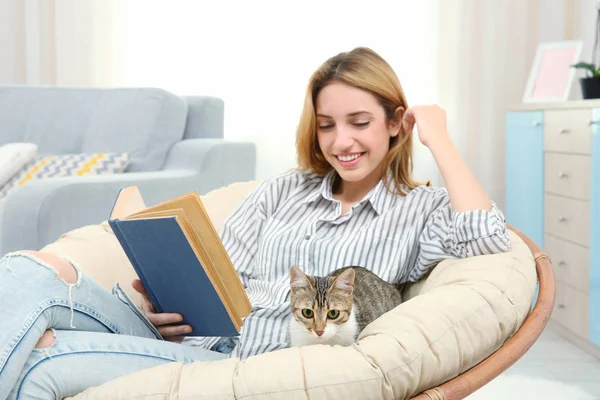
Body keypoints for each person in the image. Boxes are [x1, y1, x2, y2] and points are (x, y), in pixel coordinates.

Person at [0, 47, 510, 399]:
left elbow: (486, 236)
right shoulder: (282, 190)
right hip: (183, 338)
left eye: (360, 123)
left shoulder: (418, 210)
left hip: (237, 366)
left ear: (396, 123)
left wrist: (439, 138)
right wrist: (162, 304)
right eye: (327, 125)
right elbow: (218, 274)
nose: (341, 143)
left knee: (45, 360)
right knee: (31, 269)